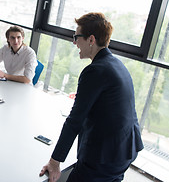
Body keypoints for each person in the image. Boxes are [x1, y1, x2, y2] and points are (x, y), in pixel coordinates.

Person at [39, 12, 143, 182]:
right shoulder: (116, 64)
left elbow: (75, 121)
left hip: (105, 157)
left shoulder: (95, 71)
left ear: (91, 40)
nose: (74, 42)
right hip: (126, 149)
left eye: (77, 37)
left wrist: (54, 161)